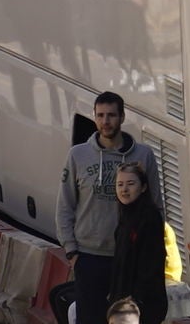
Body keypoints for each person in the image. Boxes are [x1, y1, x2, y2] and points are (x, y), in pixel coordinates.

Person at [60, 92, 158, 304]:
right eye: (100, 115)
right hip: (89, 256)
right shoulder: (78, 155)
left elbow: (156, 207)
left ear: (122, 117)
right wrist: (72, 252)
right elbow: (65, 206)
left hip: (131, 257)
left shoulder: (144, 156)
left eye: (111, 115)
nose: (105, 121)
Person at [100, 158, 178, 324]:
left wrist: (134, 301)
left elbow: (150, 264)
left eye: (130, 184)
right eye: (120, 185)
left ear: (143, 187)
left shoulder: (149, 217)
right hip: (124, 303)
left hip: (142, 306)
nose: (124, 190)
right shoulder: (125, 216)